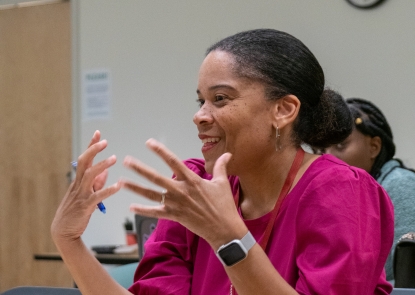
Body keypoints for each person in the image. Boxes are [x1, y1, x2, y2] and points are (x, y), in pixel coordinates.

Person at [51, 29, 394, 294]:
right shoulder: (195, 186)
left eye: (220, 98)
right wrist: (68, 240)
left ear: (284, 109)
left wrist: (229, 238)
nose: (200, 116)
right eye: (201, 100)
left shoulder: (339, 191)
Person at [322, 97, 415, 282]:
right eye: (322, 149)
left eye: (341, 146)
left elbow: (409, 281)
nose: (328, 157)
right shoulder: (336, 197)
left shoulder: (400, 186)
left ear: (374, 147)